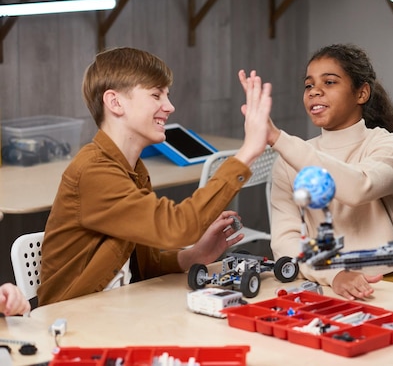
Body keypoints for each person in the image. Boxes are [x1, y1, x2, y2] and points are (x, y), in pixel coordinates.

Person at [37, 47, 272, 306]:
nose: (169, 106)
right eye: (156, 94)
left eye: (167, 95)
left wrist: (193, 256)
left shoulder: (134, 169)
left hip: (116, 310)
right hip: (74, 320)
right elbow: (177, 228)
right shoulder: (94, 171)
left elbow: (142, 268)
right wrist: (248, 151)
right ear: (115, 102)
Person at [239, 43, 393, 301]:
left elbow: (356, 188)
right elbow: (285, 242)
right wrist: (334, 274)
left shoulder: (390, 147)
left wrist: (277, 138)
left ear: (362, 93)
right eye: (309, 85)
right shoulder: (289, 160)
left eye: (329, 82)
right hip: (322, 283)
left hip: (388, 286)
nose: (315, 92)